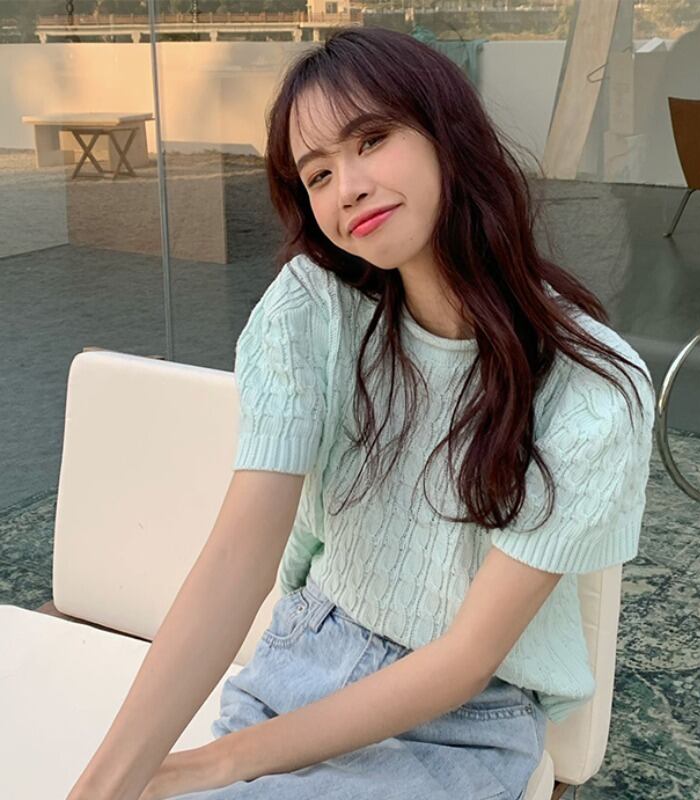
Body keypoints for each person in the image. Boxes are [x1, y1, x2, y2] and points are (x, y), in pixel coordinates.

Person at [67, 26, 655, 800]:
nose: (346, 187)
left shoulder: (592, 387)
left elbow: (466, 658)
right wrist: (106, 782)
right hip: (303, 657)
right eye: (317, 174)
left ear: (447, 133)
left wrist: (216, 763)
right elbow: (238, 558)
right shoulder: (312, 311)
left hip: (459, 721)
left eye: (371, 140)